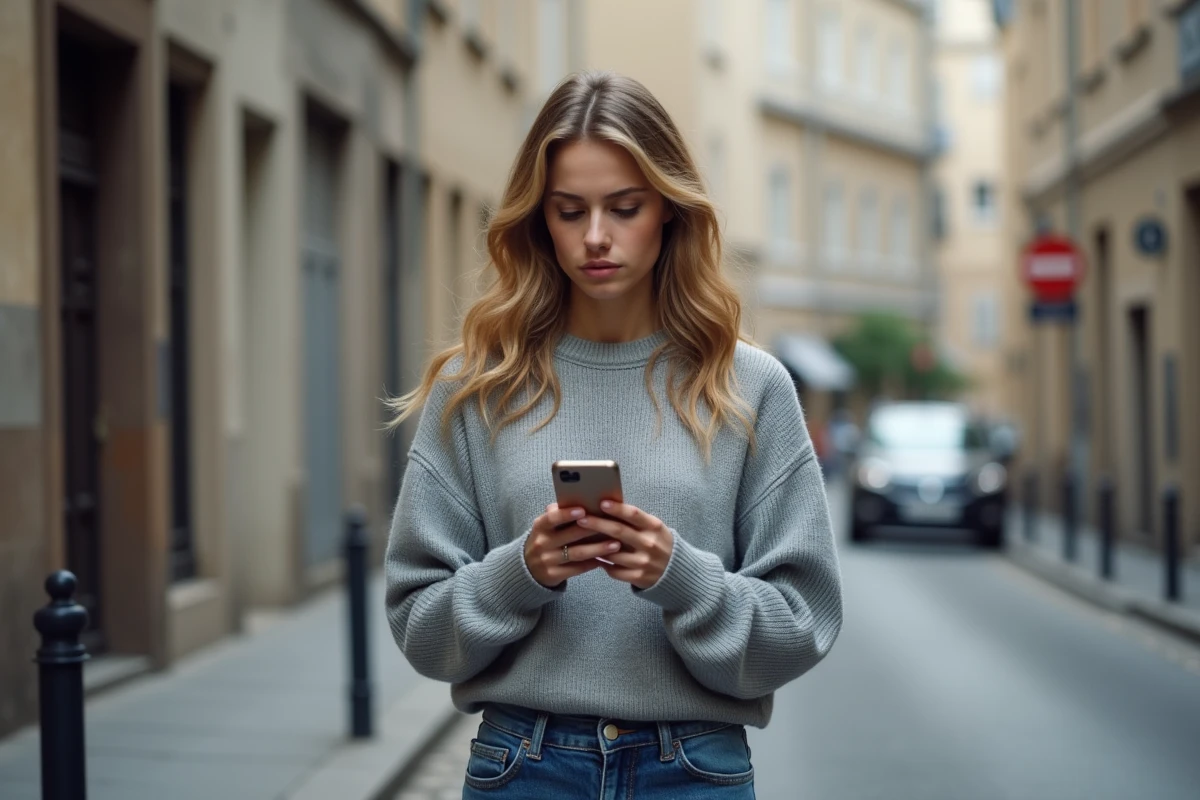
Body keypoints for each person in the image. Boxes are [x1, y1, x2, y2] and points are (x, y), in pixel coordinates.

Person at [384, 71, 842, 799]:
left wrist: (681, 578)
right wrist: (522, 571)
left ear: (668, 210)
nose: (596, 236)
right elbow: (419, 625)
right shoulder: (476, 388)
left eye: (623, 208)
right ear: (541, 221)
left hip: (694, 770)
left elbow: (803, 625)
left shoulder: (750, 387)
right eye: (570, 211)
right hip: (522, 764)